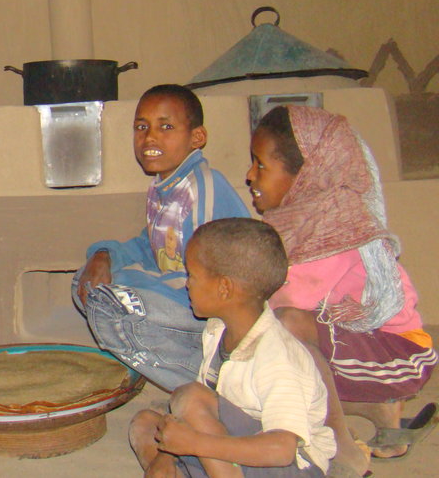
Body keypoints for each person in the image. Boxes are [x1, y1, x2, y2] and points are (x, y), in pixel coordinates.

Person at [248, 105, 437, 476]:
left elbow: (285, 302)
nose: (250, 175)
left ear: (307, 177)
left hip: (399, 351)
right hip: (365, 344)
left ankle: (340, 446)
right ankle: (379, 410)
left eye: (261, 165)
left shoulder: (333, 228)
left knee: (284, 327)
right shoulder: (304, 216)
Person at [72, 84, 250, 391]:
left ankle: (215, 382)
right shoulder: (162, 188)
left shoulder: (203, 187)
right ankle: (193, 372)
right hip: (178, 297)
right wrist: (103, 256)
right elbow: (150, 244)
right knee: (85, 283)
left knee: (110, 301)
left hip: (209, 310)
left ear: (197, 137)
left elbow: (212, 276)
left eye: (165, 126)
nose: (150, 137)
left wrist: (131, 281)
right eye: (142, 127)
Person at [129, 218, 336, 477]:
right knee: (146, 424)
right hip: (235, 454)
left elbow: (281, 450)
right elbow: (207, 412)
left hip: (289, 465)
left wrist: (193, 443)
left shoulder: (277, 357)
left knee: (190, 397)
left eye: (192, 275)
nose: (187, 283)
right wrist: (168, 454)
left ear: (224, 288)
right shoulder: (217, 330)